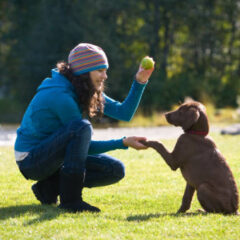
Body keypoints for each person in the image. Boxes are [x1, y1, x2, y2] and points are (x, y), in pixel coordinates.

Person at [14, 43, 154, 213]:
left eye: (105, 70)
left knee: (114, 170)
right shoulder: (61, 95)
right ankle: (71, 201)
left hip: (52, 156)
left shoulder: (83, 87)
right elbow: (83, 145)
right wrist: (122, 142)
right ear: (84, 72)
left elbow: (123, 113)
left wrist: (140, 81)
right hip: (31, 160)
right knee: (81, 128)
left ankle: (48, 188)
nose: (105, 76)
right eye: (100, 70)